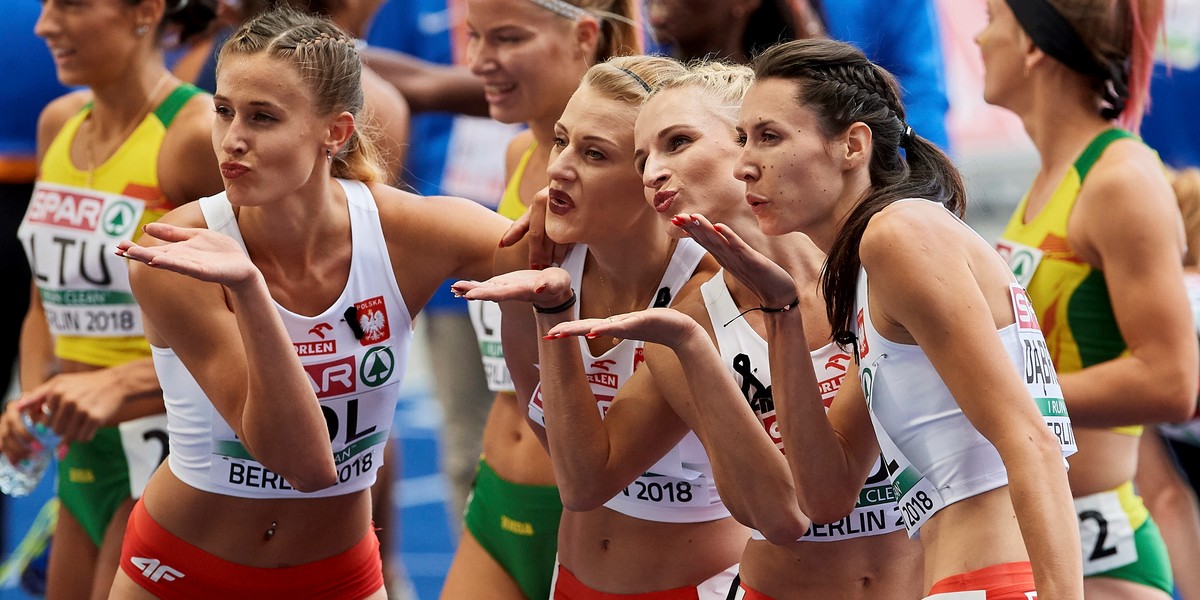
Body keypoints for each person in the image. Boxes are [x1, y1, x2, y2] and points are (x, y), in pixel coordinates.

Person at [550, 38, 1084, 598]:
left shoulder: (898, 235)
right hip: (963, 574)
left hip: (991, 578)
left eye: (767, 138)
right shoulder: (866, 274)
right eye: (744, 140)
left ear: (852, 146)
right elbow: (824, 494)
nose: (747, 164)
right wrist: (780, 316)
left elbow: (1032, 439)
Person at [108, 7, 509, 597]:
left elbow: (579, 254)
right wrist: (248, 290)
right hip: (183, 568)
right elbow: (301, 463)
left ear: (336, 132)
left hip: (336, 571)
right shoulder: (178, 253)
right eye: (223, 111)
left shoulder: (410, 233)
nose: (232, 139)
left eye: (263, 117)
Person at [534, 59, 923, 598]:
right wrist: (544, 310)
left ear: (749, 138)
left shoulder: (887, 262)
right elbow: (784, 517)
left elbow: (1025, 431)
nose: (652, 174)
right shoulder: (687, 324)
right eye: (642, 158)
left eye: (678, 142)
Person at [456, 54, 761, 599]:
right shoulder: (534, 260)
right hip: (571, 577)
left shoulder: (710, 293)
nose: (557, 169)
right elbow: (558, 443)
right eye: (560, 140)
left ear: (652, 176)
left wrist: (547, 313)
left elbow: (587, 480)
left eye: (594, 154)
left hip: (701, 583)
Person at [2, 1, 221, 598]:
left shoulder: (197, 135)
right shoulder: (59, 122)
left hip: (169, 452)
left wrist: (121, 384)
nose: (45, 25)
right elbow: (43, 300)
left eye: (69, 4)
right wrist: (32, 401)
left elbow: (260, 323)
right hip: (83, 451)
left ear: (146, 9)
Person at [979, 0, 1198, 597]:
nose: (977, 37)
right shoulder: (1051, 176)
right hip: (1042, 538)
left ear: (1032, 46)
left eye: (992, 17)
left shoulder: (1118, 178)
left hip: (1104, 558)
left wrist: (986, 394)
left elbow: (1173, 381)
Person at [438, 2, 641, 599]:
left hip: (597, 510)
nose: (479, 61)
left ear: (583, 35)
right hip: (497, 492)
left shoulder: (643, 181)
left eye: (506, 38)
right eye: (472, 37)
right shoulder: (517, 157)